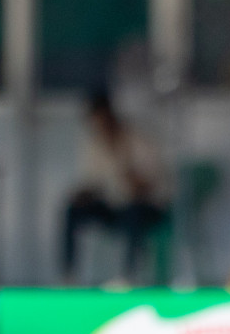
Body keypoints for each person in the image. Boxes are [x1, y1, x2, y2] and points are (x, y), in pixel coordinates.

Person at [62, 91, 170, 286]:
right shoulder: (94, 144)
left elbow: (150, 186)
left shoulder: (138, 139)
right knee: (73, 210)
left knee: (134, 212)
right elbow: (94, 183)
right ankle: (68, 276)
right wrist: (83, 195)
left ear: (111, 116)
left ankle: (128, 277)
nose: (100, 128)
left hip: (148, 208)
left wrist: (129, 171)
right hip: (113, 207)